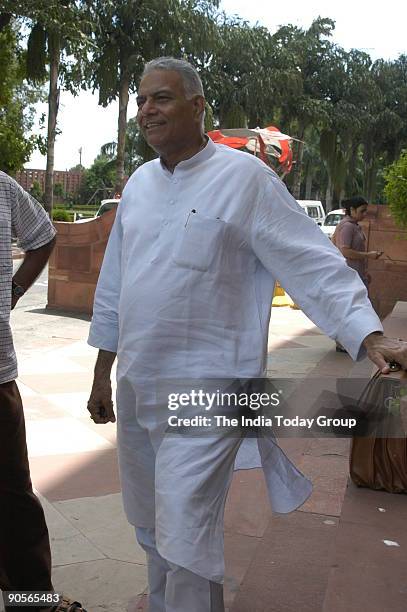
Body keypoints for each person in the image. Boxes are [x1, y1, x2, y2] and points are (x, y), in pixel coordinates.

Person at [86, 57, 407, 612]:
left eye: (161, 98)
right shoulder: (138, 185)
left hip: (212, 391)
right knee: (152, 523)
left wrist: (369, 336)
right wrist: (101, 374)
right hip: (139, 387)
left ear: (197, 106)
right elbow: (114, 286)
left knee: (186, 527)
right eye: (141, 101)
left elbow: (312, 261)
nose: (146, 111)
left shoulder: (245, 181)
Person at [0, 172, 87, 612]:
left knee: (13, 496)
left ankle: (31, 601)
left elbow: (43, 236)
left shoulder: (2, 187)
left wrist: (12, 291)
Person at [332, 196, 382, 352]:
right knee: (350, 309)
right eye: (362, 211)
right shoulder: (347, 227)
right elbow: (345, 250)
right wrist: (369, 255)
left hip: (357, 274)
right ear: (352, 210)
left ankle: (350, 342)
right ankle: (343, 343)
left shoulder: (354, 226)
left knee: (355, 309)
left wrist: (365, 270)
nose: (365, 214)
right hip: (348, 275)